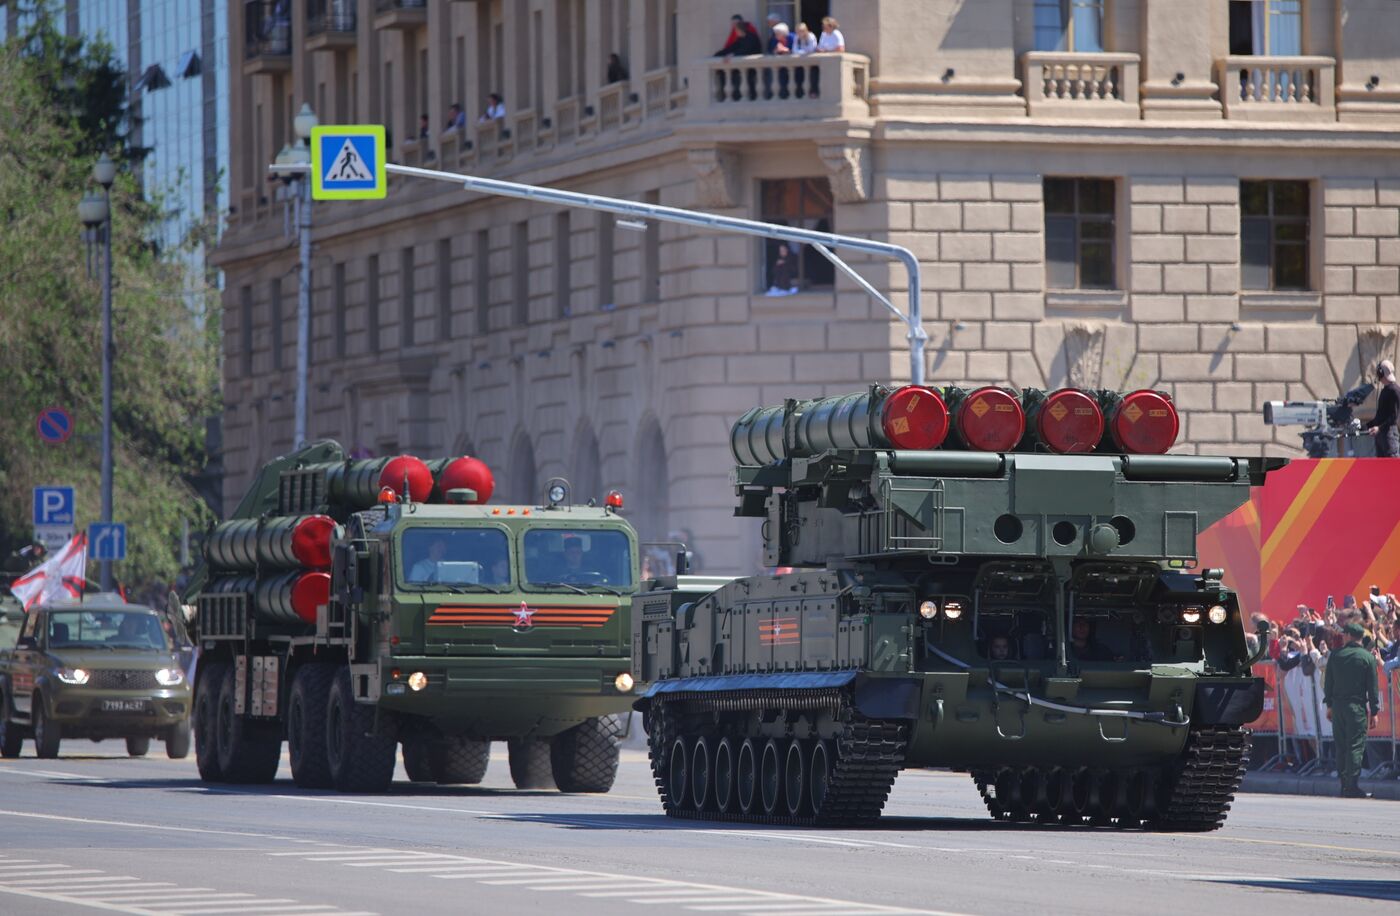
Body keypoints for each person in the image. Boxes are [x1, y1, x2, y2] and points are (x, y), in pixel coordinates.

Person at [1323, 621, 1380, 798]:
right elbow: (1372, 687)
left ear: (1347, 636)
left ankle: (1343, 785)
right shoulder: (1367, 657)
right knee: (1355, 746)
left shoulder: (1335, 655)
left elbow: (1328, 684)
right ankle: (1352, 786)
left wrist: (1330, 705)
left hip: (1338, 707)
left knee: (1341, 746)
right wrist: (1375, 711)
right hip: (1357, 707)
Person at [1365, 359, 1399, 457]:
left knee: (1392, 466)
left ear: (1381, 373)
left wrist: (1379, 428)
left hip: (1389, 435)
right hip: (1381, 435)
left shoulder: (1395, 391)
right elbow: (1380, 416)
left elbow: (1394, 417)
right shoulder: (1385, 391)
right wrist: (1367, 426)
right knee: (1381, 467)